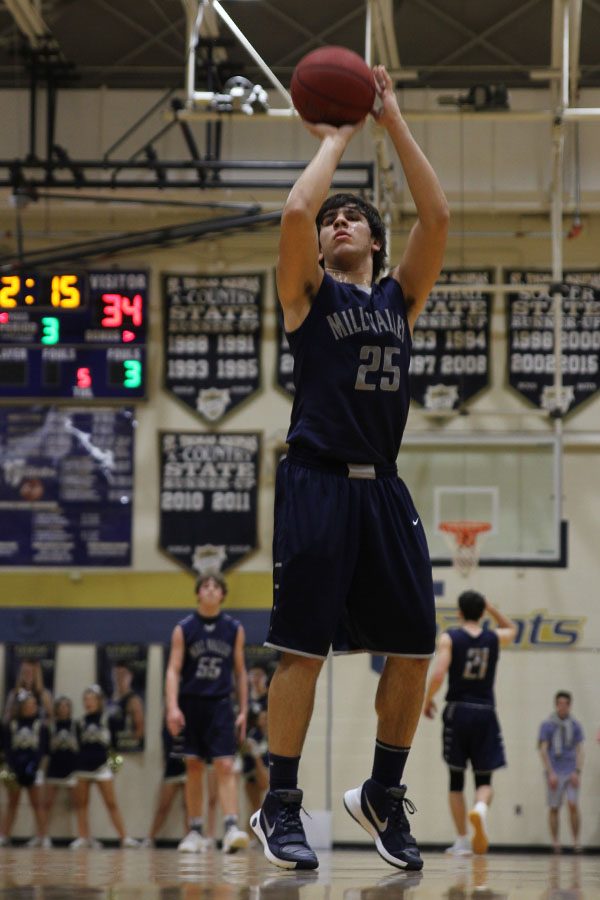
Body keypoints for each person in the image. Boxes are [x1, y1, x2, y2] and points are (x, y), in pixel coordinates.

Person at [250, 63, 449, 872]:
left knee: (413, 646)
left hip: (383, 483)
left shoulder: (400, 300)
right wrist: (335, 136)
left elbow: (435, 214)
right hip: (316, 479)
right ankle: (281, 803)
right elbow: (298, 206)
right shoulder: (309, 298)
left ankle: (381, 794)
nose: (336, 222)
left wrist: (391, 115)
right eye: (333, 220)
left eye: (352, 219)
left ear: (372, 239)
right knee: (303, 648)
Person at [422, 591, 516, 856]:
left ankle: (462, 839)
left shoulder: (449, 638)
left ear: (459, 612)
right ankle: (481, 809)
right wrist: (492, 608)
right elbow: (512, 629)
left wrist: (427, 700)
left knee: (456, 778)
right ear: (482, 612)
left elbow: (439, 673)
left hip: (458, 711)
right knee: (484, 778)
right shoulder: (493, 637)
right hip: (485, 711)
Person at [165, 572, 250, 854]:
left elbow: (240, 671)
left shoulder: (234, 628)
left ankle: (230, 828)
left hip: (221, 704)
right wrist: (172, 706)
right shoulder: (184, 628)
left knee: (225, 765)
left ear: (223, 594)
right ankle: (195, 830)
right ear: (198, 593)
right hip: (190, 703)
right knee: (193, 766)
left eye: (215, 586)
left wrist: (245, 709)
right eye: (205, 586)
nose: (211, 590)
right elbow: (173, 670)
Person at [70, 685, 139, 849]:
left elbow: (114, 745)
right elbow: (77, 747)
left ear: (99, 701)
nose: (88, 703)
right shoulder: (79, 723)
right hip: (83, 768)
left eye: (92, 699)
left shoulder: (109, 720)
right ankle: (84, 837)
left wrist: (114, 767)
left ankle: (124, 837)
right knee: (82, 804)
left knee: (111, 803)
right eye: (85, 700)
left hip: (102, 767)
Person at [538, 691, 585, 854]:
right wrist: (550, 772)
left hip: (571, 771)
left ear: (570, 705)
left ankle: (576, 841)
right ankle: (556, 842)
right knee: (554, 807)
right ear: (556, 705)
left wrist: (577, 771)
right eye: (560, 703)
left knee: (573, 804)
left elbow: (580, 750)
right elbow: (543, 750)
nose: (562, 707)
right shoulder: (547, 725)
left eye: (566, 704)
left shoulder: (575, 725)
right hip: (555, 772)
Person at [0, 691, 49, 847]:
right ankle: (5, 835)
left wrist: (34, 765)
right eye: (28, 704)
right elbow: (7, 748)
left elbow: (42, 749)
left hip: (33, 769)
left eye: (34, 704)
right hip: (15, 770)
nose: (32, 707)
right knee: (12, 804)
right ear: (20, 707)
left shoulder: (40, 726)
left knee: (37, 804)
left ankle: (43, 836)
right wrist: (13, 766)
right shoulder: (11, 725)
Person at [43, 695, 79, 846]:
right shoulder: (50, 726)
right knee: (47, 804)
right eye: (61, 706)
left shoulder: (76, 725)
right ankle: (43, 835)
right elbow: (45, 749)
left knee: (78, 803)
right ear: (56, 709)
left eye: (66, 706)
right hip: (54, 768)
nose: (64, 709)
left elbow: (80, 748)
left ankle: (82, 836)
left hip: (71, 769)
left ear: (70, 709)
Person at [107, 662, 145, 753]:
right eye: (116, 674)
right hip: (111, 749)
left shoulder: (134, 700)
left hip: (125, 750)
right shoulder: (111, 699)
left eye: (123, 674)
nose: (119, 678)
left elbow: (140, 730)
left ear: (130, 676)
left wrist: (128, 744)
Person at [3, 659, 53, 724]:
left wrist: (43, 724)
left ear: (37, 674)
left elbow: (52, 718)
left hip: (37, 730)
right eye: (25, 671)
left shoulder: (44, 694)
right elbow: (5, 719)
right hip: (18, 729)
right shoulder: (14, 693)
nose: (28, 674)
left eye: (32, 672)